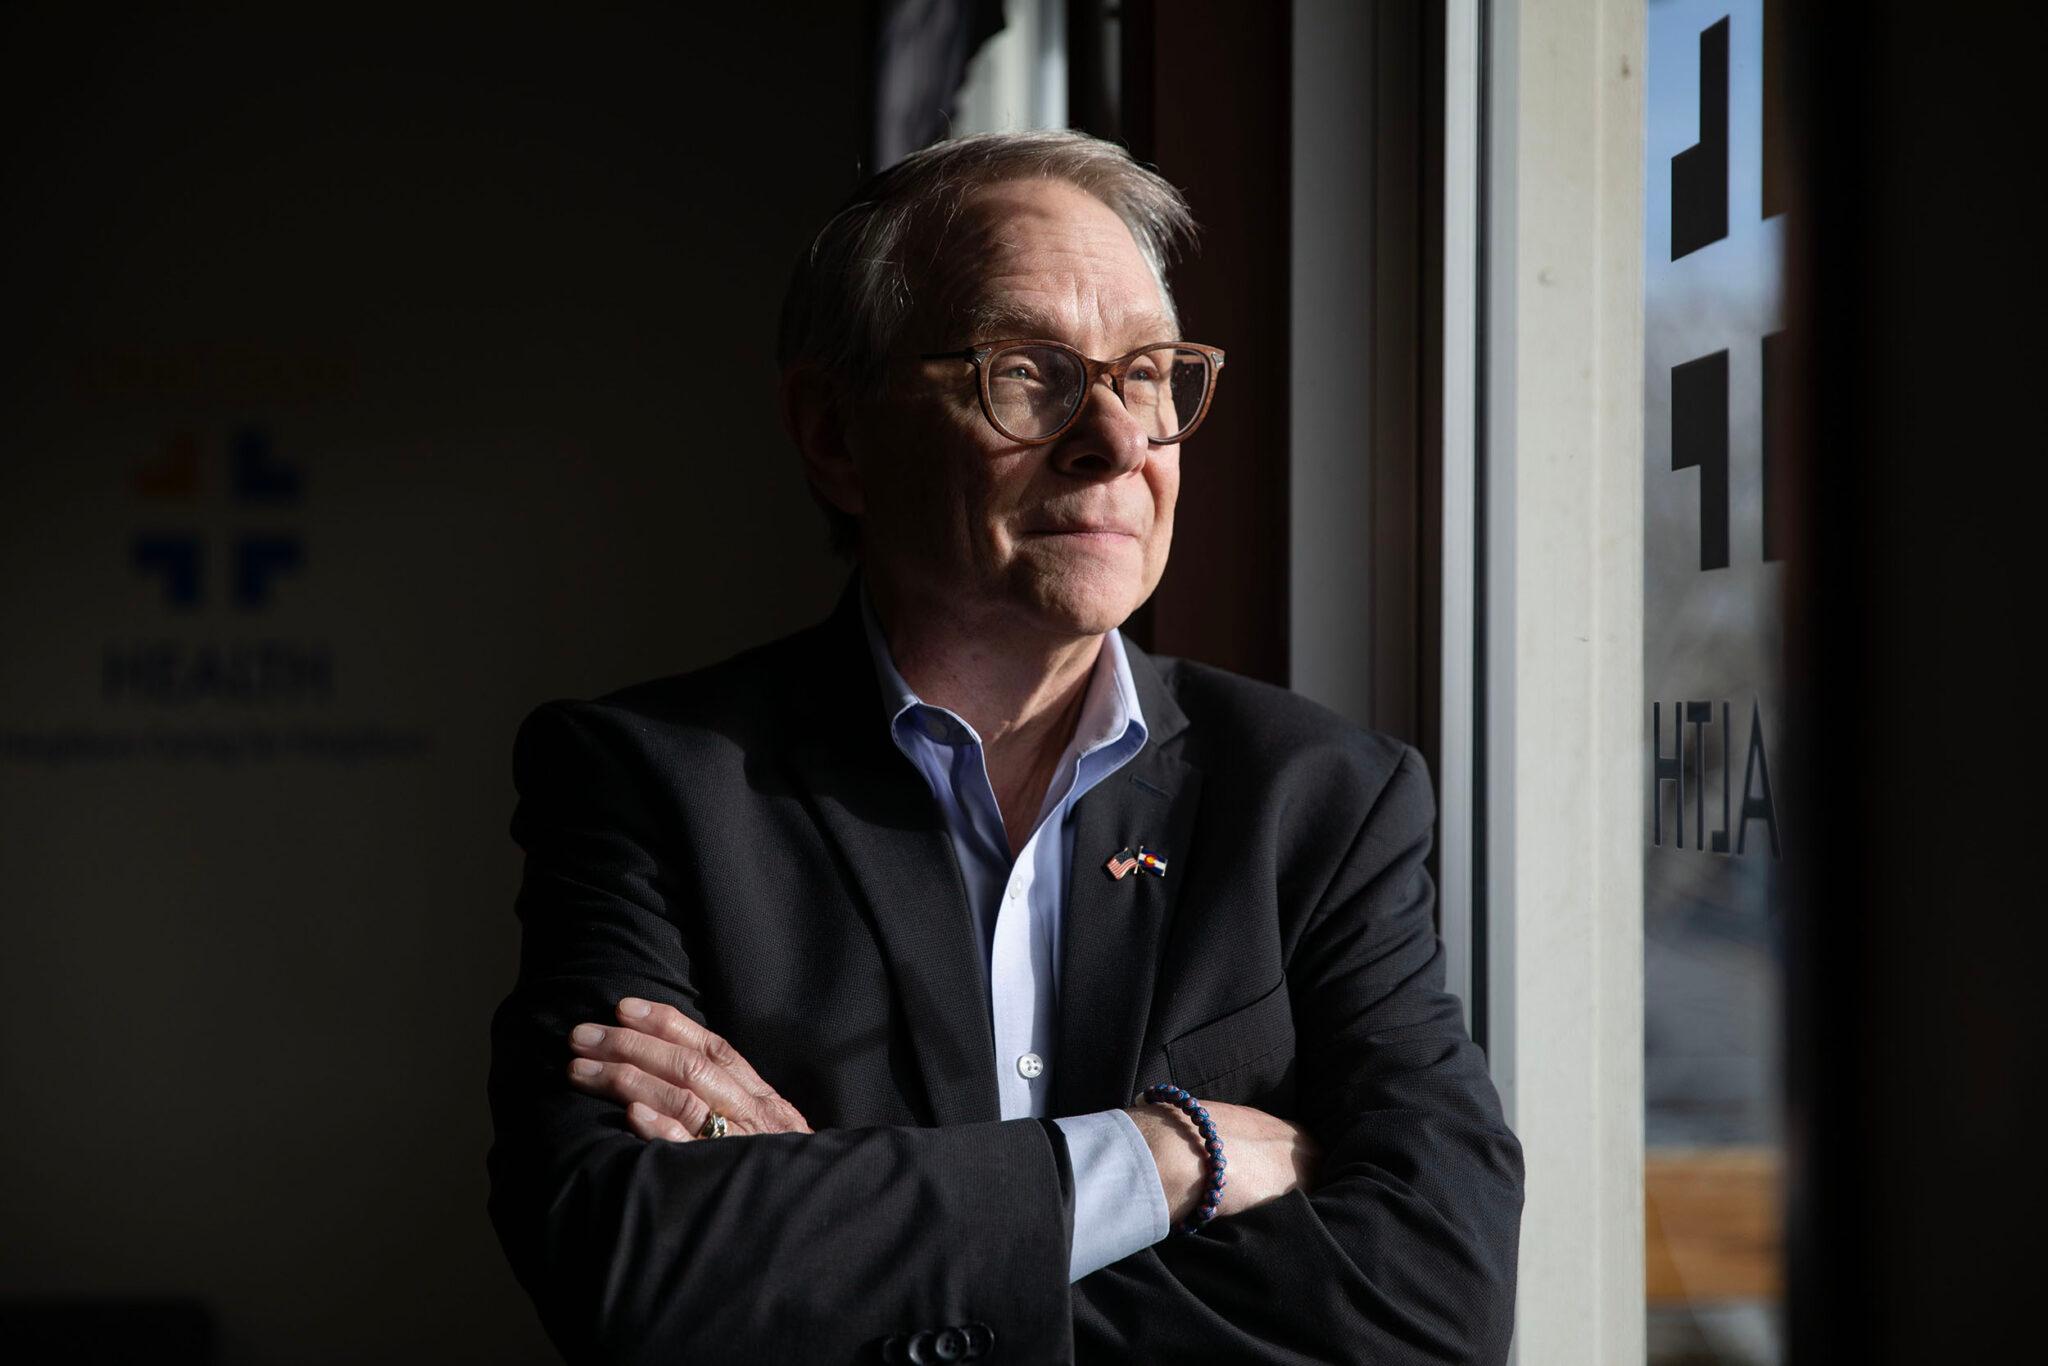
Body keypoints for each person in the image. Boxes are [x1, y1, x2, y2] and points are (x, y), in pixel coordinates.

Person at [488, 129, 1523, 1365]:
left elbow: (1435, 1298)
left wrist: (836, 1239)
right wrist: (1164, 1155)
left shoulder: (1320, 799)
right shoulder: (650, 782)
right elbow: (626, 1263)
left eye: (1146, 374)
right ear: (832, 433)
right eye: (1029, 370)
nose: (1118, 441)